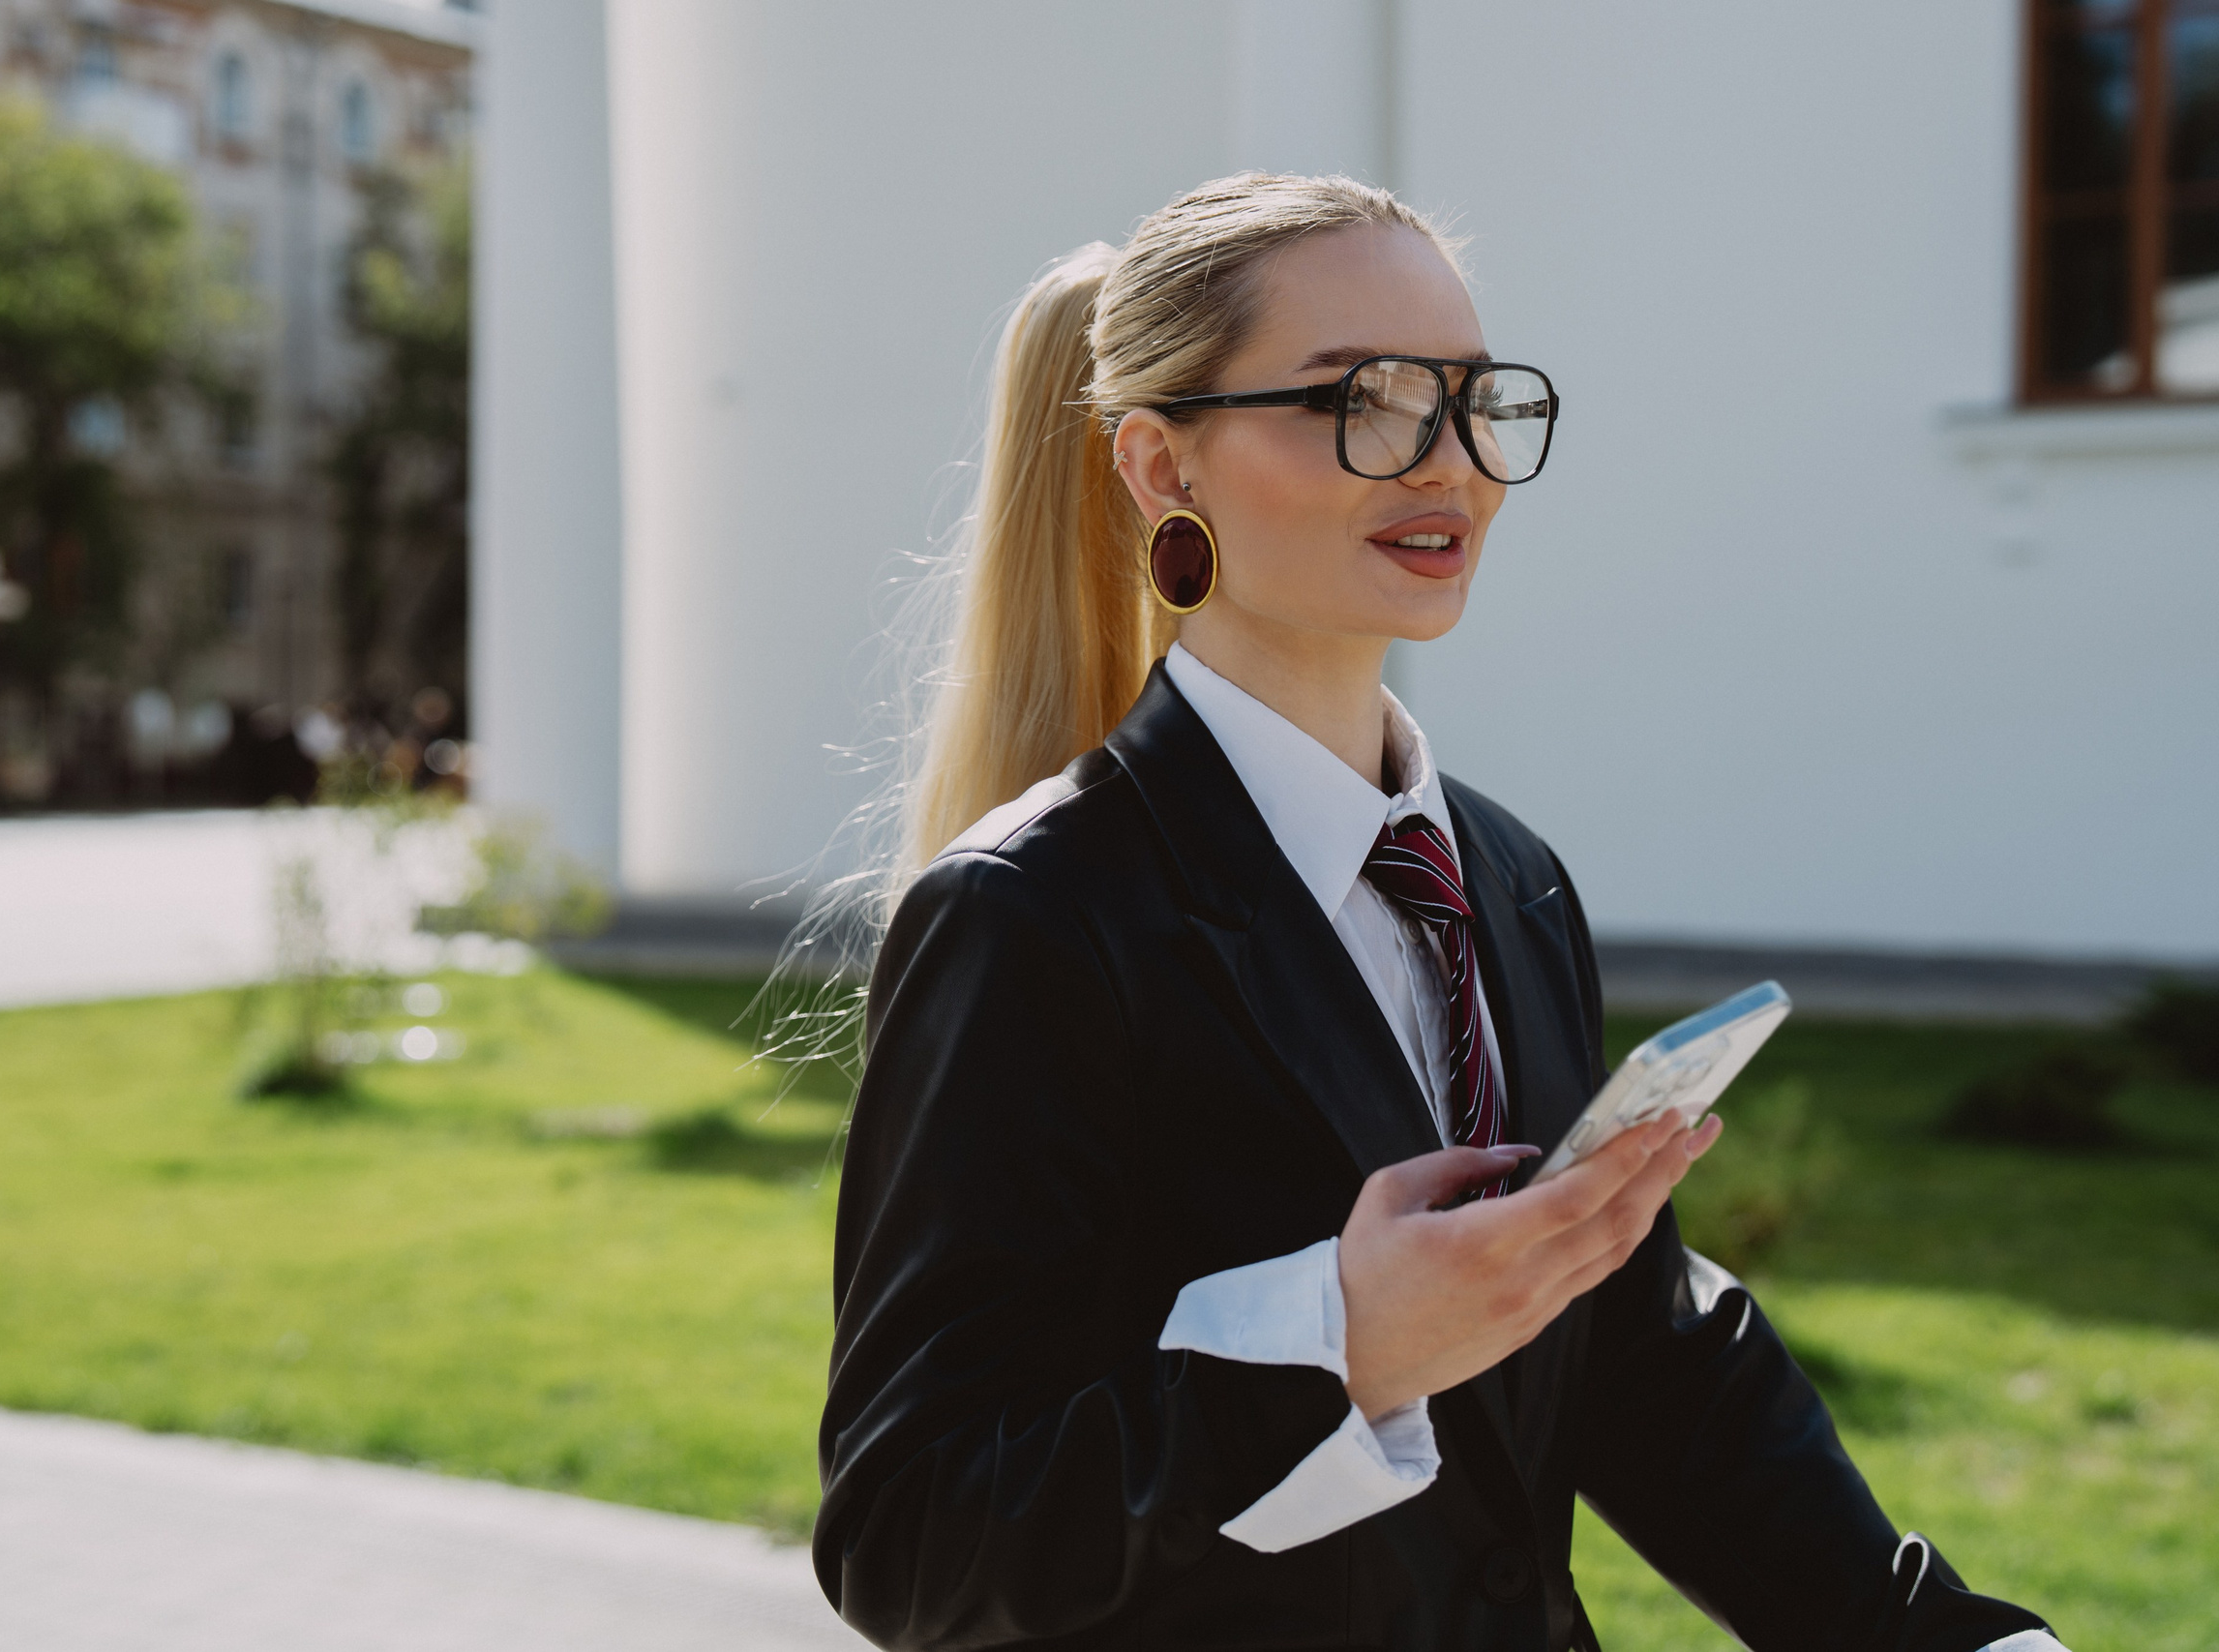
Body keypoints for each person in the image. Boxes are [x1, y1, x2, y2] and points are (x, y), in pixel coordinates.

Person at [811, 174, 2064, 1651]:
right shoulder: (1035, 915)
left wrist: (1947, 1638)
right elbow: (912, 1536)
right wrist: (1334, 1348)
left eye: (1476, 402)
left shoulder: (1511, 880)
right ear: (1161, 465)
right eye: (1369, 401)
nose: (1449, 463)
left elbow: (1621, 1356)